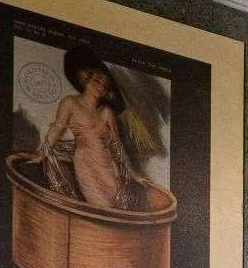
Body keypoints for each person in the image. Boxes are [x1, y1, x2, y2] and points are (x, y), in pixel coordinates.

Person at [37, 44, 164, 214]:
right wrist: (40, 153)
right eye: (97, 80)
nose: (100, 86)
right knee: (100, 208)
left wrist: (132, 175)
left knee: (117, 207)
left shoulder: (106, 112)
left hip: (108, 166)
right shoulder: (70, 103)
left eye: (105, 85)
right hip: (86, 164)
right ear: (86, 80)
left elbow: (117, 147)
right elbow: (56, 130)